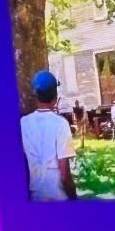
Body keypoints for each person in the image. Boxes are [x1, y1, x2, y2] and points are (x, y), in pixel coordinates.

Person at [20, 70, 77, 201]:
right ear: (55, 96)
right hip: (58, 199)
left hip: (35, 199)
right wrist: (74, 199)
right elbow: (65, 176)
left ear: (36, 95)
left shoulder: (23, 123)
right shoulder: (61, 124)